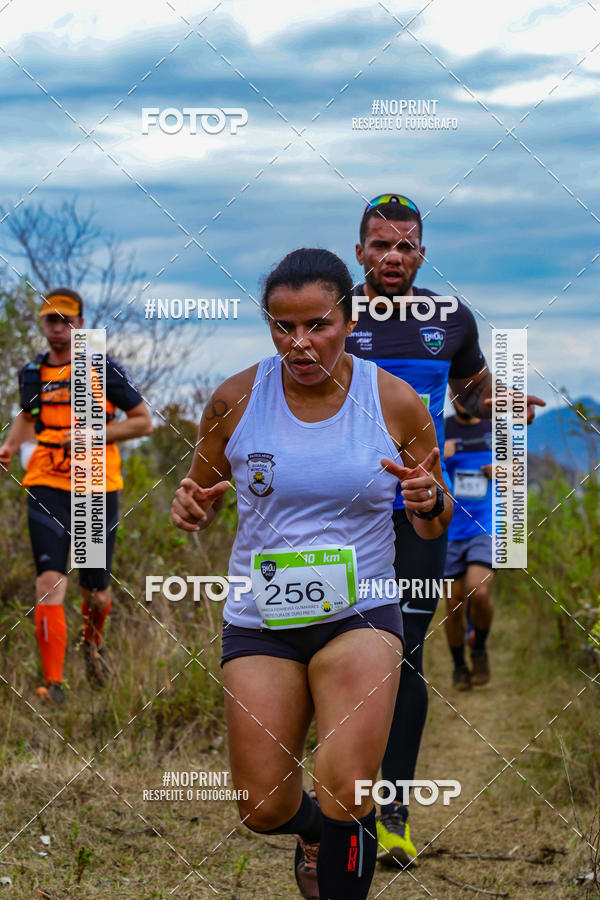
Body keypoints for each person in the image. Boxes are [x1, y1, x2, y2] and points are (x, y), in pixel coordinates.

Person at [171, 248, 452, 900]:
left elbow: (433, 518)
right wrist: (190, 507)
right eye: (283, 327)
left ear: (348, 320)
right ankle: (320, 831)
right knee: (262, 806)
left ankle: (346, 828)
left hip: (360, 612)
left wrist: (429, 502)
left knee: (349, 786)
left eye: (317, 325)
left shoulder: (395, 402)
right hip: (262, 619)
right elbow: (199, 492)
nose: (300, 342)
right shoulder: (235, 399)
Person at [347, 194, 544, 865]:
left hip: (417, 514)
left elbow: (467, 396)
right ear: (360, 253)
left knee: (403, 658)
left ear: (422, 254)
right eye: (380, 244)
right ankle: (343, 802)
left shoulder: (451, 319)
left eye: (405, 246)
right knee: (334, 653)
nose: (393, 257)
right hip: (338, 515)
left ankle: (392, 814)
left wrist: (504, 403)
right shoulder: (330, 315)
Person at [0, 288, 152, 705]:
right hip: (46, 482)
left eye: (66, 320)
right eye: (51, 320)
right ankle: (54, 686)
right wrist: (10, 447)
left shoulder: (102, 369)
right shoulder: (31, 373)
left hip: (95, 486)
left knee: (95, 592)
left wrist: (91, 435)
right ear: (42, 325)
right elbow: (29, 421)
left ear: (80, 324)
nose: (58, 328)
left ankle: (92, 644)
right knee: (49, 582)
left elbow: (143, 423)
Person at [443, 398, 494, 690]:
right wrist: (441, 458)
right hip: (449, 530)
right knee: (452, 604)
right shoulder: (441, 429)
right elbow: (421, 469)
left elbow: (516, 473)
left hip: (485, 526)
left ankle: (480, 648)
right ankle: (460, 665)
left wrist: (503, 470)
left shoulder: (495, 428)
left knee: (480, 589)